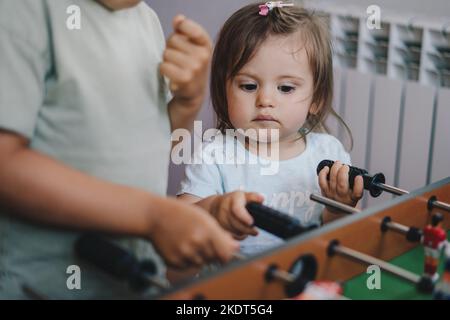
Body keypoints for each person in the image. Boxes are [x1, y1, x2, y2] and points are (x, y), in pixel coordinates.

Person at [0, 0, 238, 299]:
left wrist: (187, 102)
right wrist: (153, 216)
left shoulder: (146, 20)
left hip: (131, 280)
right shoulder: (21, 9)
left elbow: (150, 149)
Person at [177, 2, 364, 256]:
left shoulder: (330, 153)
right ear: (224, 90)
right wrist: (214, 209)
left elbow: (341, 239)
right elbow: (179, 223)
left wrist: (340, 208)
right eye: (249, 86)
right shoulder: (215, 155)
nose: (265, 99)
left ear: (316, 98)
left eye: (286, 88)